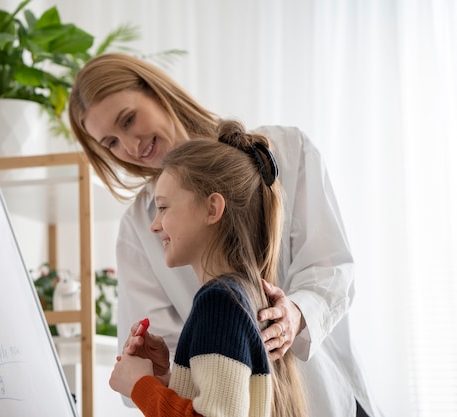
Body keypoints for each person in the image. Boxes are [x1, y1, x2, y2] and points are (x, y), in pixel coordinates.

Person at [68, 53, 380, 417]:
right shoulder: (139, 228)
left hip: (328, 401)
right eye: (112, 143)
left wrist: (295, 314)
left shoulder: (283, 153)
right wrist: (162, 372)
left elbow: (332, 268)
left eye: (129, 119)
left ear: (156, 91)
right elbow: (187, 381)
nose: (132, 147)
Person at [109, 120, 307, 416]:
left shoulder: (218, 303)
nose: (154, 225)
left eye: (163, 207)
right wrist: (166, 379)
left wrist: (141, 386)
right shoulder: (240, 296)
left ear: (212, 209)